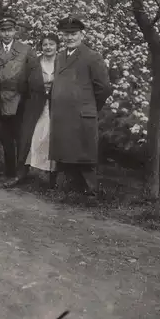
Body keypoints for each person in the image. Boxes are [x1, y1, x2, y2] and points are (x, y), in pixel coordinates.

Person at [50, 16, 112, 196]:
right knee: (66, 153)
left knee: (84, 154)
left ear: (82, 35)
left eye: (74, 34)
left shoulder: (92, 57)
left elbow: (104, 88)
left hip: (82, 114)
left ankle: (91, 193)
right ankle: (71, 190)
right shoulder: (60, 56)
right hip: (62, 115)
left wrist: (90, 105)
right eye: (66, 34)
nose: (70, 38)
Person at [4, 32, 59, 189]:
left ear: (57, 46)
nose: (48, 47)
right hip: (35, 105)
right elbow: (22, 84)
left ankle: (53, 177)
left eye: (51, 44)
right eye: (45, 44)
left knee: (52, 137)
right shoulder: (34, 63)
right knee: (29, 137)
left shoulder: (62, 63)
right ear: (41, 47)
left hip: (56, 106)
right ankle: (20, 173)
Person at [0, 13, 36, 180]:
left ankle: (22, 172)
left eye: (10, 30)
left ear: (15, 31)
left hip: (21, 100)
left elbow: (33, 76)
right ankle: (10, 172)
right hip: (1, 99)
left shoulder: (26, 50)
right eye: (3, 31)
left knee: (21, 137)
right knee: (6, 137)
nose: (6, 34)